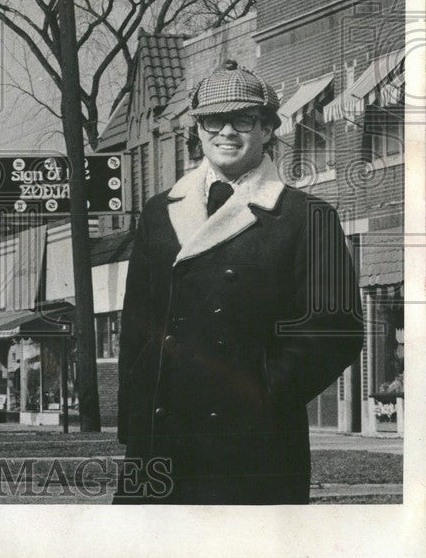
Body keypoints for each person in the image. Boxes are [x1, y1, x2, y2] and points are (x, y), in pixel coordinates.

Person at [114, 60, 363, 505]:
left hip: (254, 444)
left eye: (243, 119)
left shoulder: (308, 217)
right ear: (199, 129)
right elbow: (138, 325)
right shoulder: (158, 213)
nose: (226, 132)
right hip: (160, 441)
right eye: (214, 120)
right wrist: (134, 422)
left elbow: (334, 332)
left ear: (267, 128)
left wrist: (260, 395)